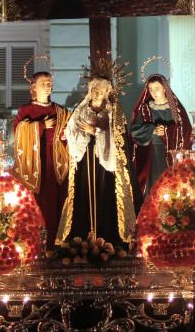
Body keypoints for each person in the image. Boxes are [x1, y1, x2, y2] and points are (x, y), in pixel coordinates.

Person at [55, 75, 138, 248]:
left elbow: (119, 137)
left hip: (106, 164)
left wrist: (97, 131)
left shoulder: (113, 111)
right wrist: (70, 134)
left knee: (105, 193)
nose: (96, 93)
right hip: (85, 159)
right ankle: (83, 237)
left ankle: (107, 237)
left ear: (107, 92)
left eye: (100, 90)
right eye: (94, 89)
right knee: (83, 193)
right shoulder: (82, 109)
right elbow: (71, 129)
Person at [12, 69, 70, 247]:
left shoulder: (60, 111)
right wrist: (40, 125)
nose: (47, 86)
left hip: (58, 161)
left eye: (49, 83)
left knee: (59, 202)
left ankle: (58, 243)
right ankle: (37, 244)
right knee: (39, 202)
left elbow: (70, 130)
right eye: (43, 83)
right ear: (33, 87)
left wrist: (67, 134)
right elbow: (19, 132)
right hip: (36, 163)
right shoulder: (26, 110)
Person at [130, 72, 192, 198]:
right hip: (152, 153)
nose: (154, 92)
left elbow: (185, 129)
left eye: (157, 88)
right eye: (151, 89)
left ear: (165, 88)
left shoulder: (176, 109)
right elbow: (134, 131)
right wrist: (152, 129)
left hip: (171, 154)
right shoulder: (145, 108)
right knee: (154, 186)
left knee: (170, 186)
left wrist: (167, 130)